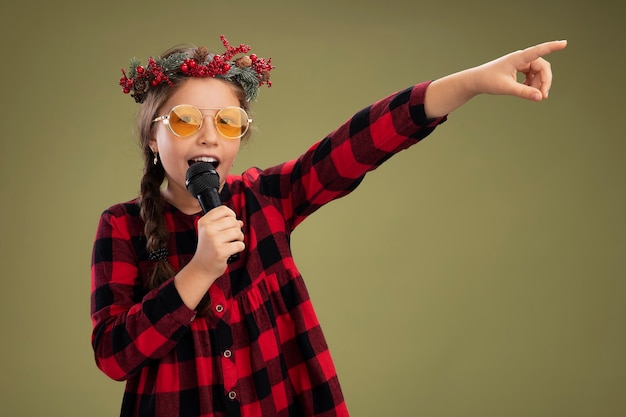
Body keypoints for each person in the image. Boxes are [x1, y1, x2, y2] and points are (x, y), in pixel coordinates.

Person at [91, 35, 567, 417]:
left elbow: (357, 144)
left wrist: (471, 83)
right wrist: (198, 271)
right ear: (153, 134)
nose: (210, 135)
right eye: (187, 120)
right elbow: (114, 356)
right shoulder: (120, 227)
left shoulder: (266, 199)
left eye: (228, 121)